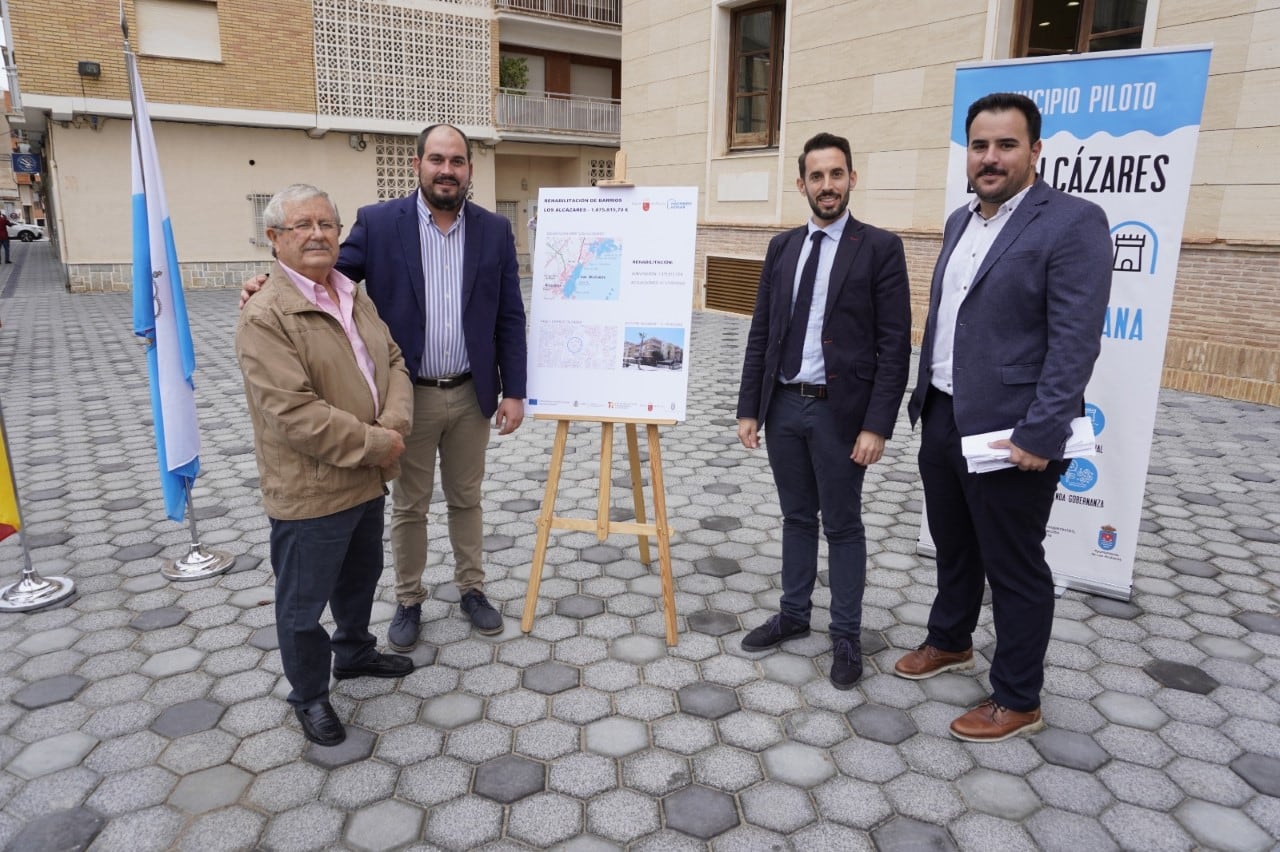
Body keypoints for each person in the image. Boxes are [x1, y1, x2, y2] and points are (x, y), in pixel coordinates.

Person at [243, 124, 527, 648]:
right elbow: (326, 271)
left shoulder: (493, 230)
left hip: (471, 394)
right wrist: (271, 278)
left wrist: (514, 390)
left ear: (469, 170)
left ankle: (472, 588)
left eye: (458, 161)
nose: (447, 169)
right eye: (437, 159)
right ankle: (410, 597)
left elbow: (510, 314)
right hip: (405, 397)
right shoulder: (378, 223)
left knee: (467, 498)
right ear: (416, 164)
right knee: (410, 504)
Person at [895, 93, 1112, 742]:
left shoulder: (1073, 222)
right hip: (943, 413)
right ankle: (951, 639)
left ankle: (1018, 697)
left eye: (1006, 145)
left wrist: (1040, 434)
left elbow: (1075, 339)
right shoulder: (963, 221)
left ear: (1036, 150)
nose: (990, 158)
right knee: (953, 541)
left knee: (1014, 565)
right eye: (980, 145)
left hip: (1011, 433)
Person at [236, 184, 415, 746]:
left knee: (360, 576)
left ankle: (356, 653)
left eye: (327, 224)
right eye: (301, 225)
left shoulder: (351, 292)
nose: (317, 234)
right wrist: (378, 443)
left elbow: (391, 358)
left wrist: (397, 424)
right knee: (302, 603)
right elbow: (294, 414)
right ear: (274, 240)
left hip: (365, 477)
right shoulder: (265, 315)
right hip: (311, 488)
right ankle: (310, 696)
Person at [736, 132, 912, 690]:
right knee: (794, 517)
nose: (827, 185)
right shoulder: (782, 247)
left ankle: (845, 634)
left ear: (852, 179)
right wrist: (749, 409)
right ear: (802, 184)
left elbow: (894, 344)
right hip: (785, 406)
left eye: (837, 174)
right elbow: (761, 330)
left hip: (842, 415)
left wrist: (877, 425)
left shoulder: (880, 247)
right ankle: (792, 614)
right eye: (817, 176)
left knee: (842, 524)